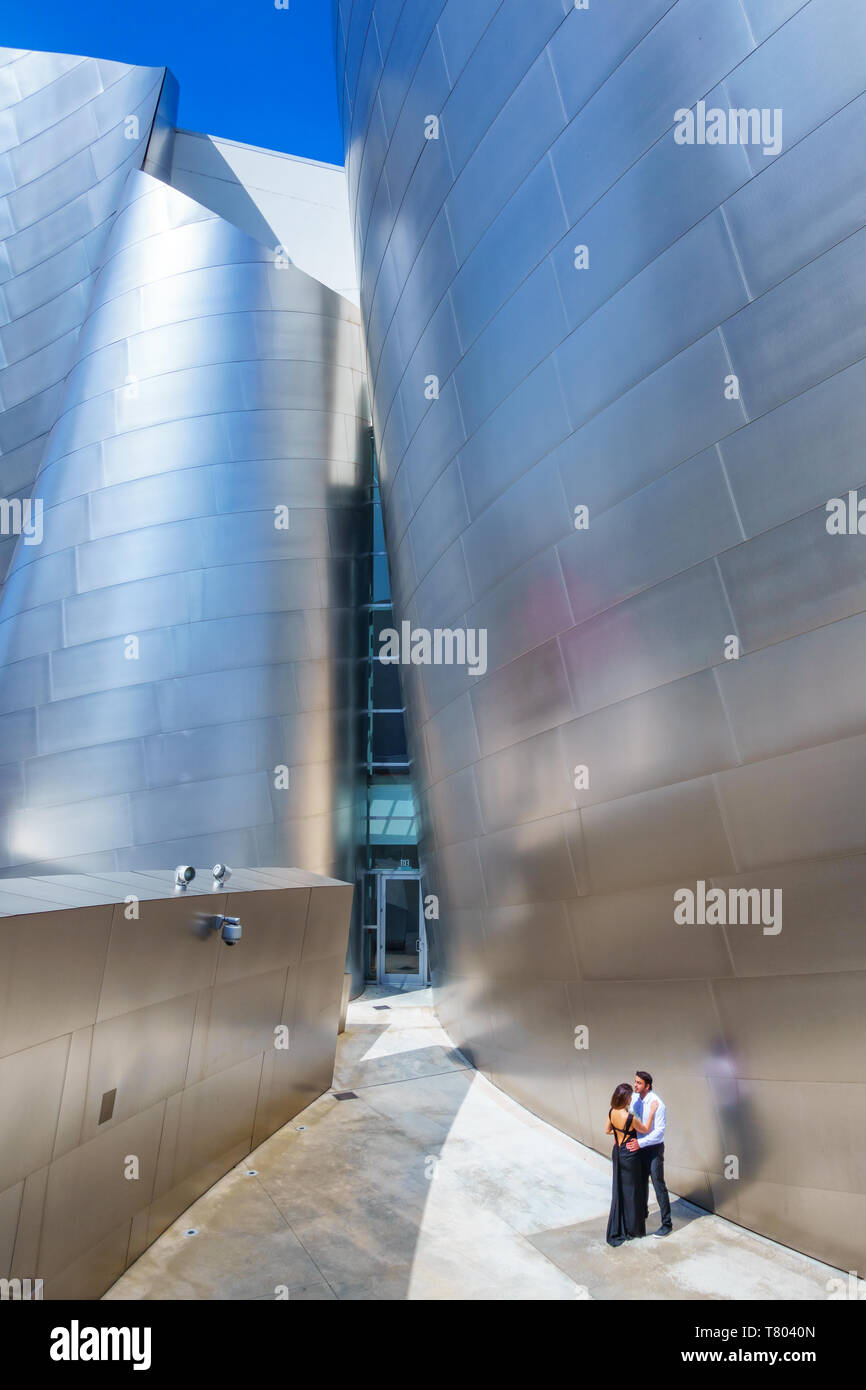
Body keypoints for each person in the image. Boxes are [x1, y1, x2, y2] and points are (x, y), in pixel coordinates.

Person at [604, 1081, 655, 1246]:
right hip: (630, 1154)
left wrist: (618, 1134)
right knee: (633, 1191)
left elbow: (607, 1130)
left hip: (617, 1153)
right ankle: (633, 1228)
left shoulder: (612, 1112)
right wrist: (652, 1111)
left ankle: (620, 1224)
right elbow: (646, 1129)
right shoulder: (629, 1117)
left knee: (619, 1188)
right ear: (625, 1099)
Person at [625, 1069, 672, 1237]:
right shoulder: (636, 1098)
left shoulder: (658, 1104)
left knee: (658, 1184)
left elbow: (659, 1132)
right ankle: (642, 1215)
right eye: (635, 1081)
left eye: (638, 1083)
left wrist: (640, 1143)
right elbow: (630, 1118)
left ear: (648, 1086)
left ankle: (667, 1224)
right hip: (639, 1147)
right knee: (641, 1183)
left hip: (653, 1149)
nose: (635, 1085)